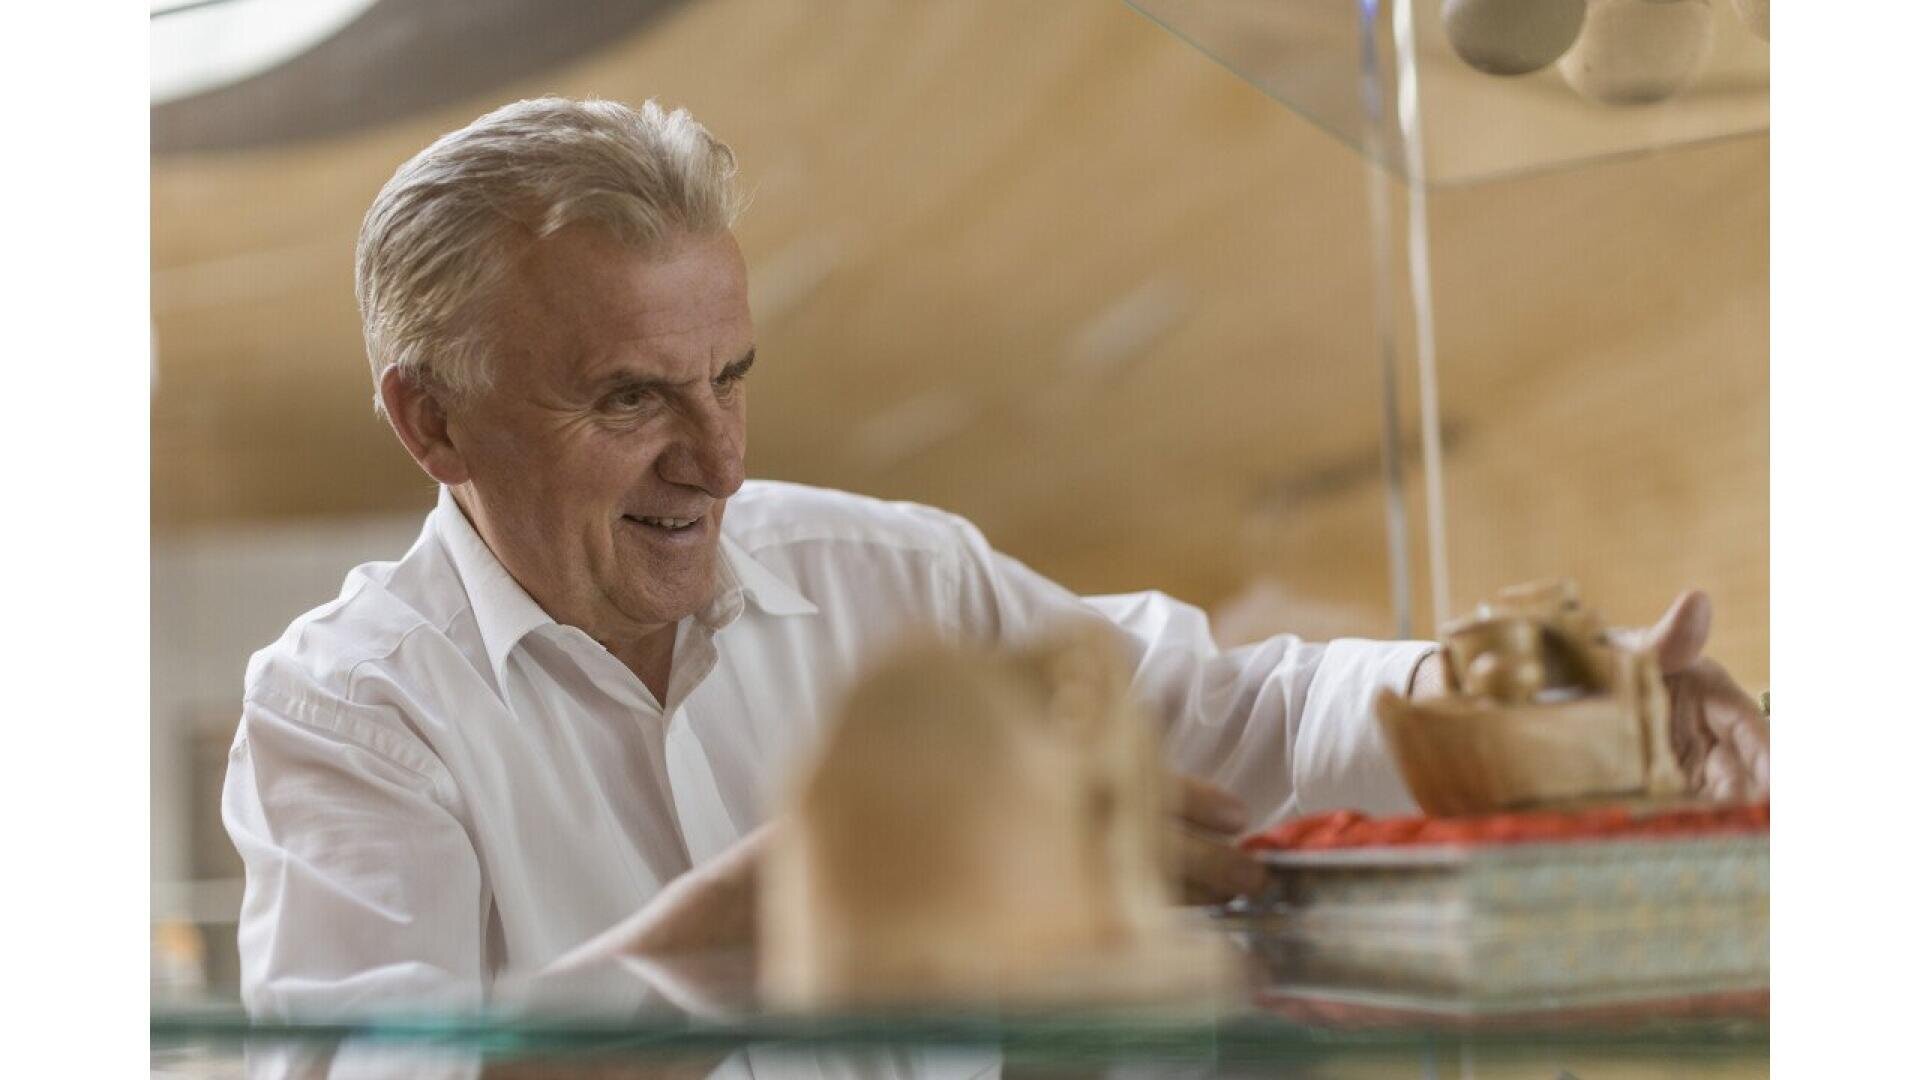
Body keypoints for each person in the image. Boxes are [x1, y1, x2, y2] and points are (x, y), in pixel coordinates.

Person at [223, 97, 1769, 1023]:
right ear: (432, 421)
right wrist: (747, 927)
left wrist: (1516, 691)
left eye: (733, 376)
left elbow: (1243, 718)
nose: (717, 457)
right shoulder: (347, 710)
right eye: (631, 398)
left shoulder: (901, 574)